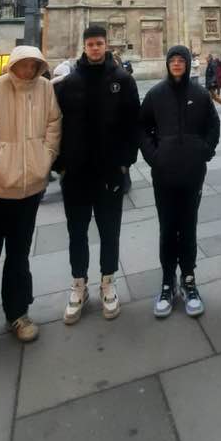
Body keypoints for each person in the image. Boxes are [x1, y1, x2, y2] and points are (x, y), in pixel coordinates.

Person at [0, 46, 61, 368]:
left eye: (34, 65)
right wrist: (0, 168)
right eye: (24, 64)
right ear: (14, 64)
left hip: (28, 191)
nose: (28, 69)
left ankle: (18, 313)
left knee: (19, 257)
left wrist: (44, 160)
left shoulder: (45, 88)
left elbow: (54, 126)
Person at [54, 24, 140, 325]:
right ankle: (79, 284)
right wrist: (59, 164)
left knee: (109, 231)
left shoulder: (122, 80)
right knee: (77, 232)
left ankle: (107, 282)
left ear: (106, 45)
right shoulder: (68, 82)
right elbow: (54, 124)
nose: (94, 48)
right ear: (84, 46)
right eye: (90, 44)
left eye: (99, 43)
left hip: (109, 171)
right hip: (76, 173)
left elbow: (134, 123)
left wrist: (125, 162)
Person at [140, 45, 220, 318]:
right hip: (164, 173)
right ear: (168, 64)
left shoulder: (199, 94)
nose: (176, 64)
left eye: (180, 60)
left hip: (192, 172)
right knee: (167, 227)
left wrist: (204, 151)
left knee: (188, 227)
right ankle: (167, 281)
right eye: (172, 60)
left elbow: (213, 125)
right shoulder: (156, 94)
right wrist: (154, 156)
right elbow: (142, 127)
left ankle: (188, 279)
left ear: (187, 64)